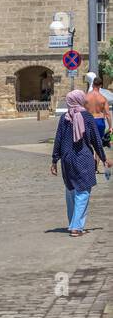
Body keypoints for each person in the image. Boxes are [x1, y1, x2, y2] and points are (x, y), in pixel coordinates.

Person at [51, 89, 108, 237]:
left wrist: (54, 160)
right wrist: (103, 158)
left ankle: (73, 224)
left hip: (67, 158)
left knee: (70, 192)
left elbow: (58, 140)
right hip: (83, 157)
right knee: (83, 192)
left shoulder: (64, 118)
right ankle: (76, 227)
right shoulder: (87, 117)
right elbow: (96, 140)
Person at [86, 77, 112, 146]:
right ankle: (97, 156)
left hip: (89, 121)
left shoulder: (86, 97)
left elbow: (82, 111)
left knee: (89, 143)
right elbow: (107, 114)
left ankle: (91, 156)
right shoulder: (103, 98)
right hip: (99, 121)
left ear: (92, 85)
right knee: (98, 143)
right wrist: (110, 127)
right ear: (101, 86)